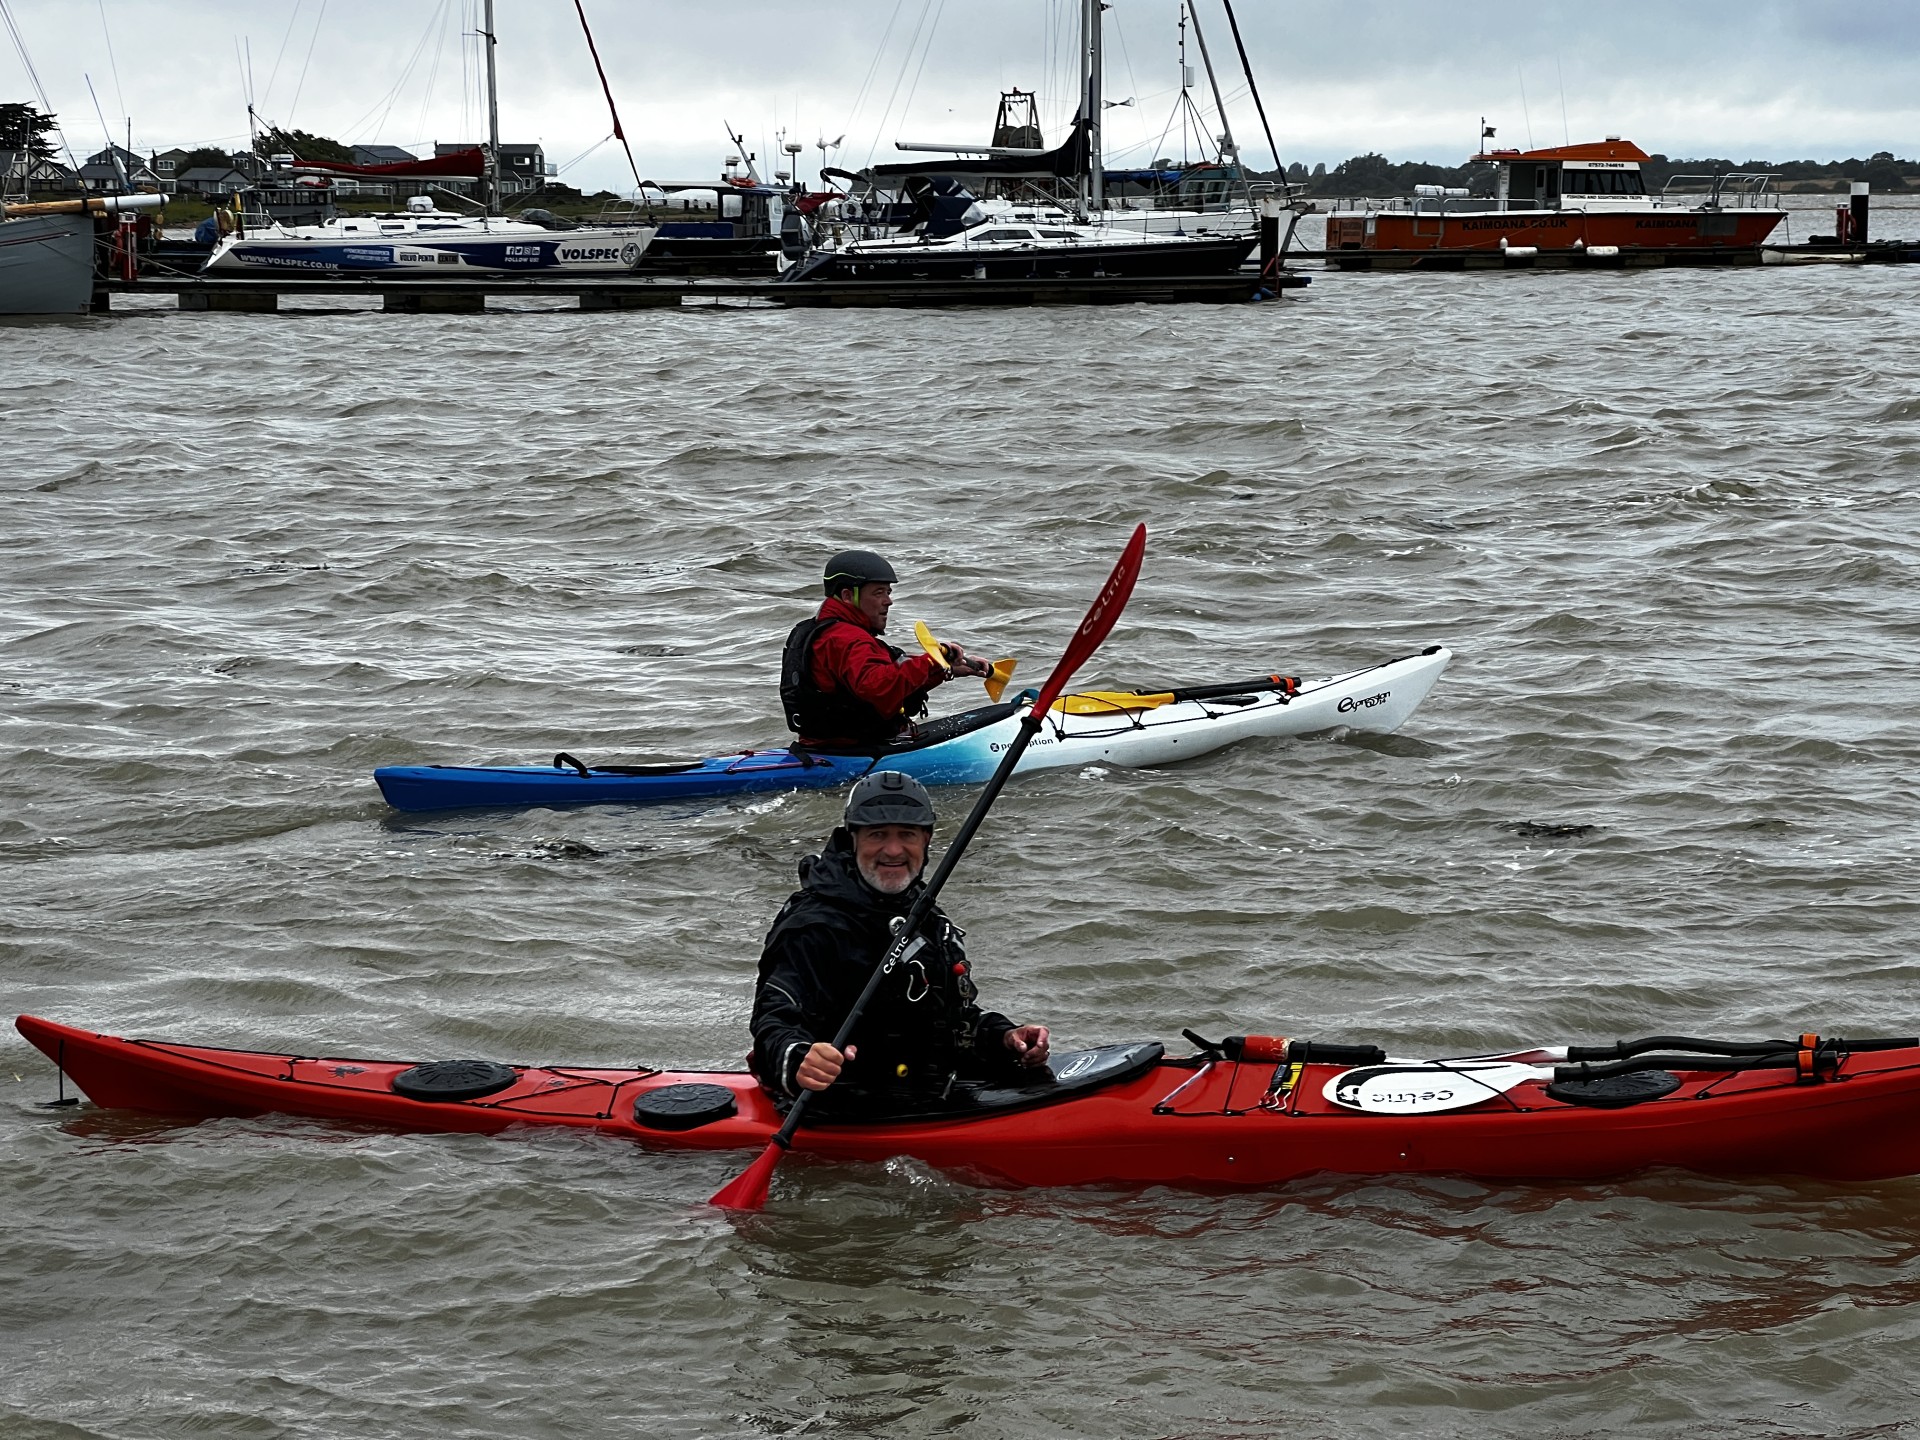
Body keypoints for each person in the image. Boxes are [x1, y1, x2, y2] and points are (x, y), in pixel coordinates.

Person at [750, 770, 1050, 1106]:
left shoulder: (925, 915)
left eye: (906, 834)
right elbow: (773, 1021)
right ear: (853, 839)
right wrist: (800, 1061)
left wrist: (1005, 1037)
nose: (893, 850)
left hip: (927, 1092)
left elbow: (951, 1022)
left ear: (926, 840)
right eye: (877, 834)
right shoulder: (812, 926)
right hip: (843, 1107)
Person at [780, 548, 993, 749]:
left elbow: (878, 685)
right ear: (847, 596)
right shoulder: (847, 639)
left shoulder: (825, 631)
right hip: (858, 750)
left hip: (824, 747)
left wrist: (944, 670)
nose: (888, 601)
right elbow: (879, 688)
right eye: (878, 593)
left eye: (888, 592)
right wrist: (931, 660)